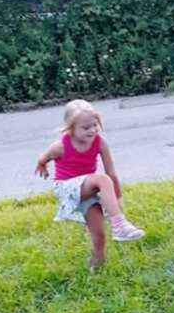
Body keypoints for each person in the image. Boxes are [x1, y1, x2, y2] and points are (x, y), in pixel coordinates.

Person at [35, 99, 144, 271]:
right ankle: (119, 225)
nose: (92, 130)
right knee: (101, 179)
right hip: (66, 188)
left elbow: (112, 173)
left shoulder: (100, 143)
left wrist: (118, 199)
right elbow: (43, 158)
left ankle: (96, 269)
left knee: (99, 235)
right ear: (71, 128)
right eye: (85, 128)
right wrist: (42, 165)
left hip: (88, 190)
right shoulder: (60, 147)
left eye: (95, 125)